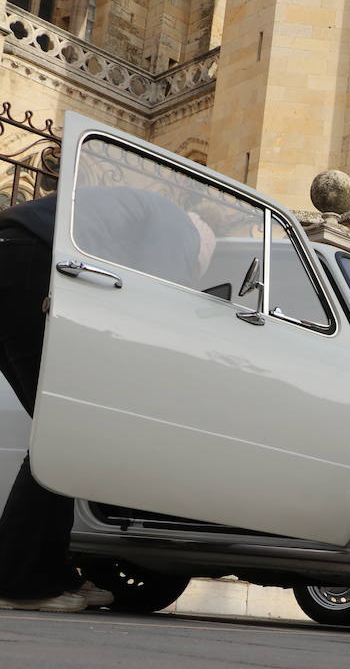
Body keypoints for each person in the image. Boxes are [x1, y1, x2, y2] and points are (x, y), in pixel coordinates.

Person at [0, 188, 215, 612]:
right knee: (65, 435)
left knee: (60, 434)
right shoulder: (182, 231)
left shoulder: (148, 216)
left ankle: (49, 574)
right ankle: (19, 582)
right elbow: (159, 303)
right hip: (28, 262)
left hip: (13, 255)